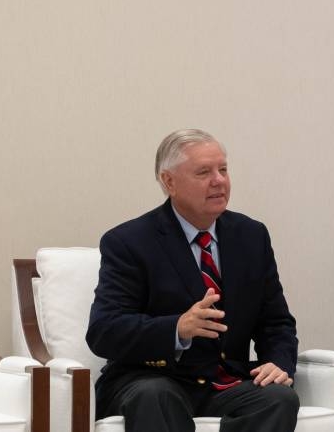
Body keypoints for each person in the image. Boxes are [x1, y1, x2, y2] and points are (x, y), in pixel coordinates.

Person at [86, 129, 300, 432]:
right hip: (151, 379)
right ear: (169, 181)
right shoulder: (129, 242)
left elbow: (276, 322)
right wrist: (177, 328)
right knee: (156, 395)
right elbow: (103, 331)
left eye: (223, 169)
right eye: (204, 172)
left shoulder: (251, 235)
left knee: (278, 397)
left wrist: (277, 363)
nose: (219, 180)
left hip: (224, 381)